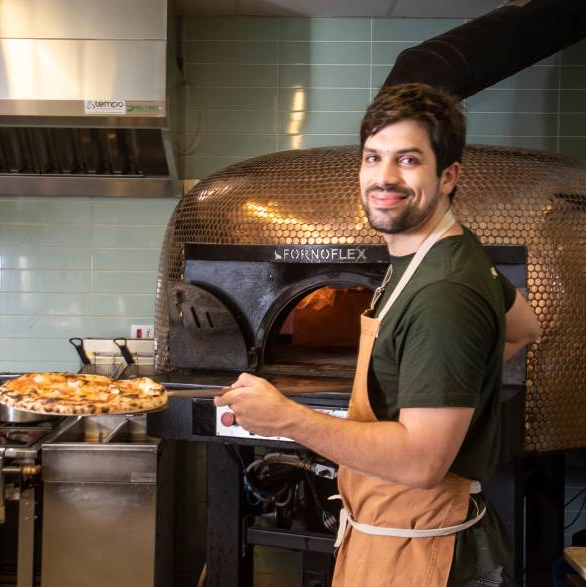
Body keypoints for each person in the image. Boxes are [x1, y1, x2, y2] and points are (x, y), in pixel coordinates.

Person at [214, 83, 542, 587]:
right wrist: (443, 382)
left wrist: (288, 418)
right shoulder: (442, 252)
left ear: (448, 175)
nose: (385, 177)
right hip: (395, 537)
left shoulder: (445, 291)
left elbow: (421, 461)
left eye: (408, 160)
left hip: (425, 553)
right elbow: (524, 325)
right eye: (374, 157)